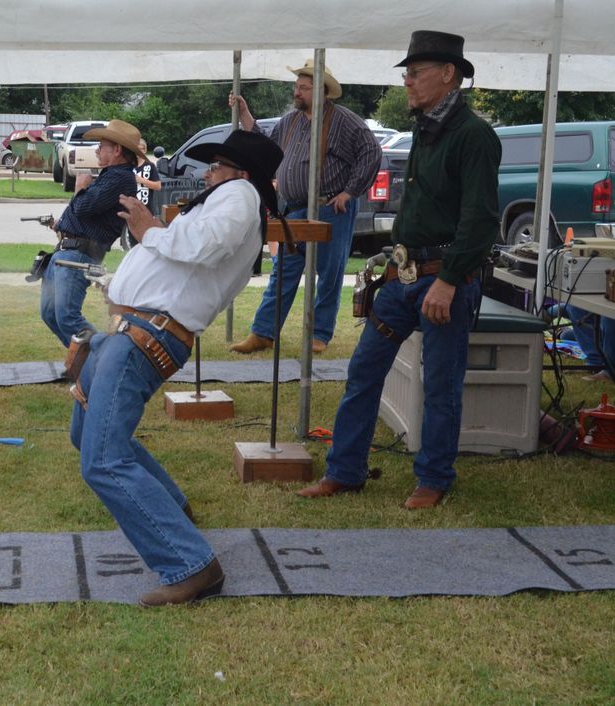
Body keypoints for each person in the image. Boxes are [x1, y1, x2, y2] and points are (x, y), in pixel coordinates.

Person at [69, 130, 284, 605]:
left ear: (241, 173)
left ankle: (191, 565)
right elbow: (182, 252)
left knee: (102, 458)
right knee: (87, 435)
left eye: (216, 166)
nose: (207, 174)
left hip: (145, 335)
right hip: (131, 331)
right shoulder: (228, 197)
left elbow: (206, 245)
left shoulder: (240, 195)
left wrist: (149, 229)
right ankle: (171, 510)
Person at [298, 30, 500, 509]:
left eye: (414, 73)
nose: (406, 81)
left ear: (447, 75)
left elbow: (480, 220)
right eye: (406, 73)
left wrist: (449, 280)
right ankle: (345, 471)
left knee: (441, 384)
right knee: (364, 371)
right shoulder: (427, 129)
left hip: (442, 279)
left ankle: (434, 478)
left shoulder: (473, 135)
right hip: (403, 276)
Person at [228, 60, 381, 355]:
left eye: (304, 88)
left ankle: (319, 335)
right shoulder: (291, 121)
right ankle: (263, 333)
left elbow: (371, 152)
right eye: (296, 87)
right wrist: (245, 115)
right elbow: (265, 147)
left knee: (329, 273)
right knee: (283, 270)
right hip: (296, 209)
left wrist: (350, 192)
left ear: (322, 91)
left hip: (331, 209)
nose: (297, 92)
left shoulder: (344, 120)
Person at [40, 120, 139, 347]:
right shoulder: (111, 175)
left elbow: (84, 207)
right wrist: (62, 225)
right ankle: (86, 359)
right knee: (50, 313)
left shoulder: (119, 178)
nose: (97, 150)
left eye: (102, 146)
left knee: (67, 316)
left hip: (79, 255)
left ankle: (103, 357)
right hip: (68, 252)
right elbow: (84, 212)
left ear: (117, 150)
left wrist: (80, 187)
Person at [134, 138, 162, 210]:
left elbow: (158, 186)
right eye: (137, 149)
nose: (139, 151)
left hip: (146, 210)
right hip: (132, 210)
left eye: (141, 149)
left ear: (145, 150)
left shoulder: (150, 165)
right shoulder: (128, 166)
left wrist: (142, 180)